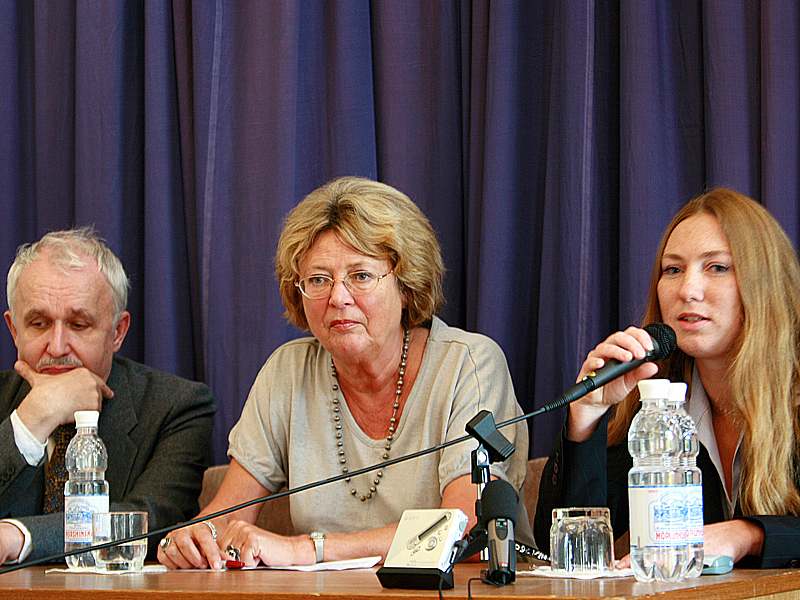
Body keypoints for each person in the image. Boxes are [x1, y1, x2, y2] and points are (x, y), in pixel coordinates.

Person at [158, 176, 530, 570]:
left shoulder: (469, 364)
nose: (338, 297)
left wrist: (306, 550)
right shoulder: (288, 372)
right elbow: (226, 515)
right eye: (318, 280)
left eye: (361, 276)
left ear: (405, 287)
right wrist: (190, 539)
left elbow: (465, 527)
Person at [533, 188, 800, 569]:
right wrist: (586, 417)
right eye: (672, 270)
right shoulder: (654, 402)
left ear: (765, 282)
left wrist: (748, 535)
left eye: (717, 267)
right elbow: (564, 551)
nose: (687, 290)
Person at [0, 227, 217, 564]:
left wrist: (20, 536)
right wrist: (34, 417)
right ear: (14, 330)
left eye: (78, 325)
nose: (56, 347)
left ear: (117, 332)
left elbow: (150, 522)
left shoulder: (176, 407)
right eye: (39, 324)